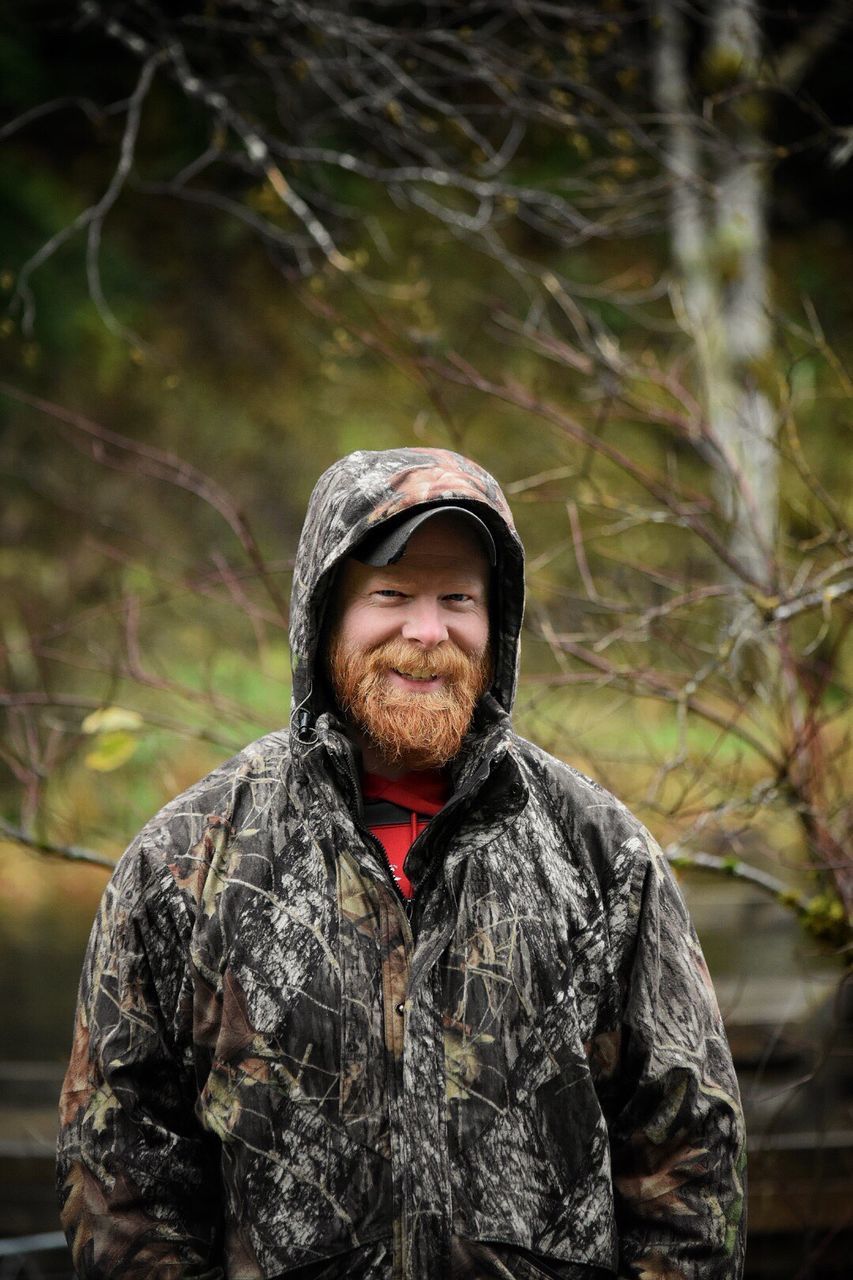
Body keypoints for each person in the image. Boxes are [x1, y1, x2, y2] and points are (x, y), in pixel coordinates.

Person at [57, 447, 746, 1280]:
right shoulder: (189, 859)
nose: (427, 632)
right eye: (391, 595)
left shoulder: (600, 855)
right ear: (325, 619)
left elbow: (689, 1163)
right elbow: (121, 1177)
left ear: (497, 623)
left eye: (457, 598)